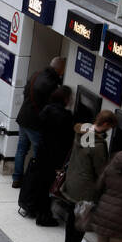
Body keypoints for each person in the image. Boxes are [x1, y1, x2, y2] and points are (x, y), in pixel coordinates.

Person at [62, 111, 114, 242]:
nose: (110, 130)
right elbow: (100, 170)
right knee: (81, 220)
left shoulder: (83, 131)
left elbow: (85, 154)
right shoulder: (98, 145)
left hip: (73, 180)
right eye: (110, 127)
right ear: (105, 124)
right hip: (85, 188)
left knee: (72, 216)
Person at [20, 84, 73, 227]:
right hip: (55, 157)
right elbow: (68, 139)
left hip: (42, 153)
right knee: (47, 187)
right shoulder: (66, 116)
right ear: (66, 99)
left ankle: (37, 210)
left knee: (40, 184)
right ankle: (43, 216)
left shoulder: (47, 109)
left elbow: (40, 127)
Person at [12, 56, 65, 187]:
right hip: (35, 123)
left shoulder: (36, 74)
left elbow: (25, 92)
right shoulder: (52, 84)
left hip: (23, 116)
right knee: (38, 154)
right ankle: (34, 181)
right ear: (60, 70)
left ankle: (16, 179)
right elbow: (50, 107)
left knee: (21, 150)